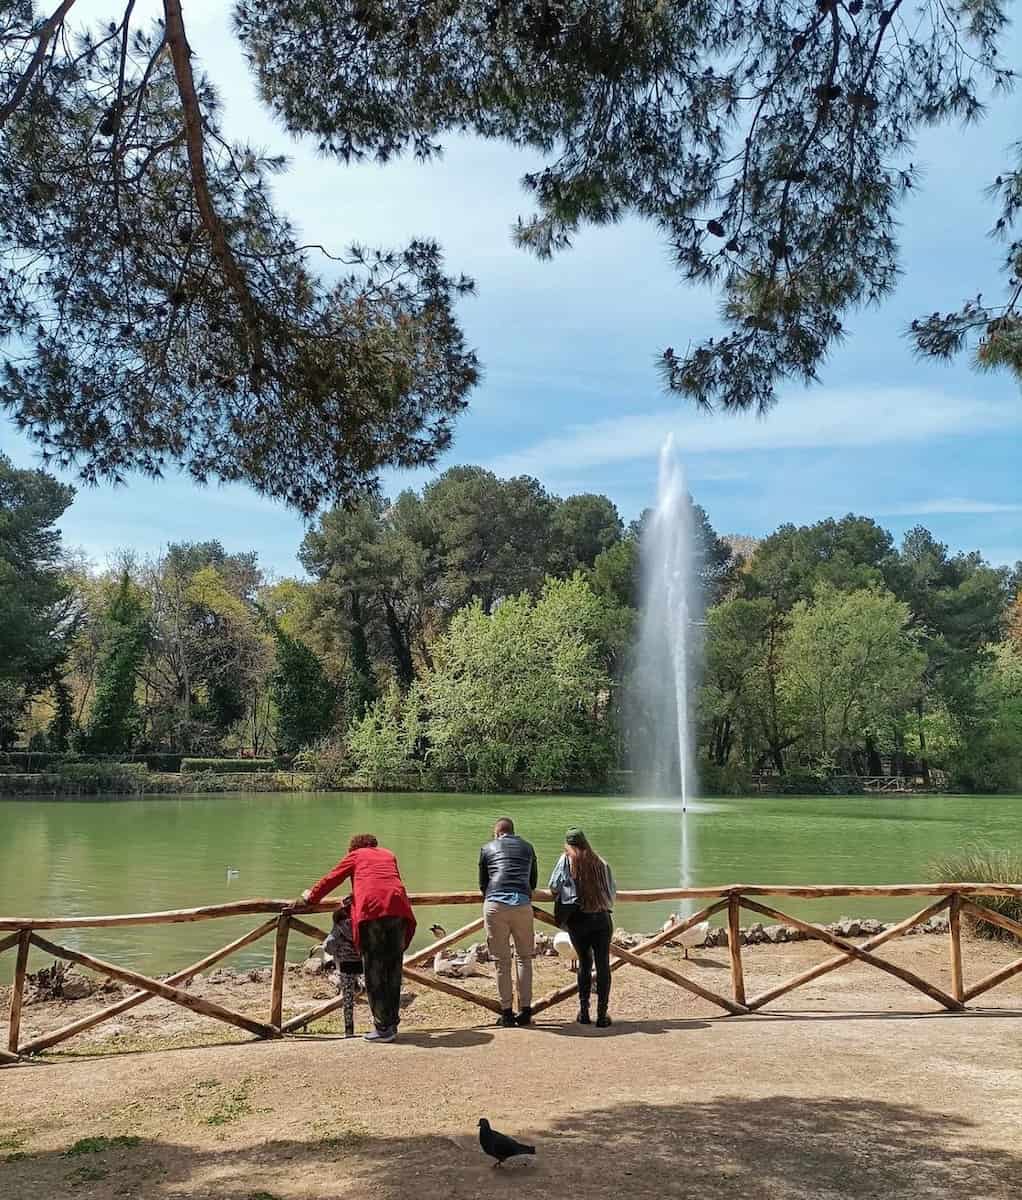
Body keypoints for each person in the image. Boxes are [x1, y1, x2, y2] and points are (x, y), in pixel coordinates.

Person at [292, 833, 416, 1044]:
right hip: (398, 909)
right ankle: (392, 1023)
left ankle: (383, 1028)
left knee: (374, 968)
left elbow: (332, 878)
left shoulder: (356, 856)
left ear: (353, 848)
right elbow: (382, 881)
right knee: (393, 967)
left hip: (372, 912)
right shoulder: (388, 854)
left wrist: (309, 898)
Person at [548, 828, 616, 1028]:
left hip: (579, 920)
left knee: (585, 964)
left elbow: (553, 886)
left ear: (568, 844)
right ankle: (602, 1015)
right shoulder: (601, 862)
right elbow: (611, 894)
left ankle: (584, 1012)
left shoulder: (566, 860)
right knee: (603, 965)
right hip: (602, 919)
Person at [478, 816, 538, 1028]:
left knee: (501, 962)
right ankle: (526, 1010)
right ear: (513, 831)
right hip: (522, 904)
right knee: (524, 959)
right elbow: (533, 882)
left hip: (495, 905)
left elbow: (483, 884)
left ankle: (506, 1012)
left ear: (496, 833)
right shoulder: (528, 847)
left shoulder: (487, 848)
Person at [323, 896, 362, 1038]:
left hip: (346, 964)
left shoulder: (339, 927)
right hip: (364, 963)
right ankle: (380, 1025)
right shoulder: (363, 922)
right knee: (372, 994)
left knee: (348, 1000)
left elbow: (329, 946)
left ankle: (349, 1030)